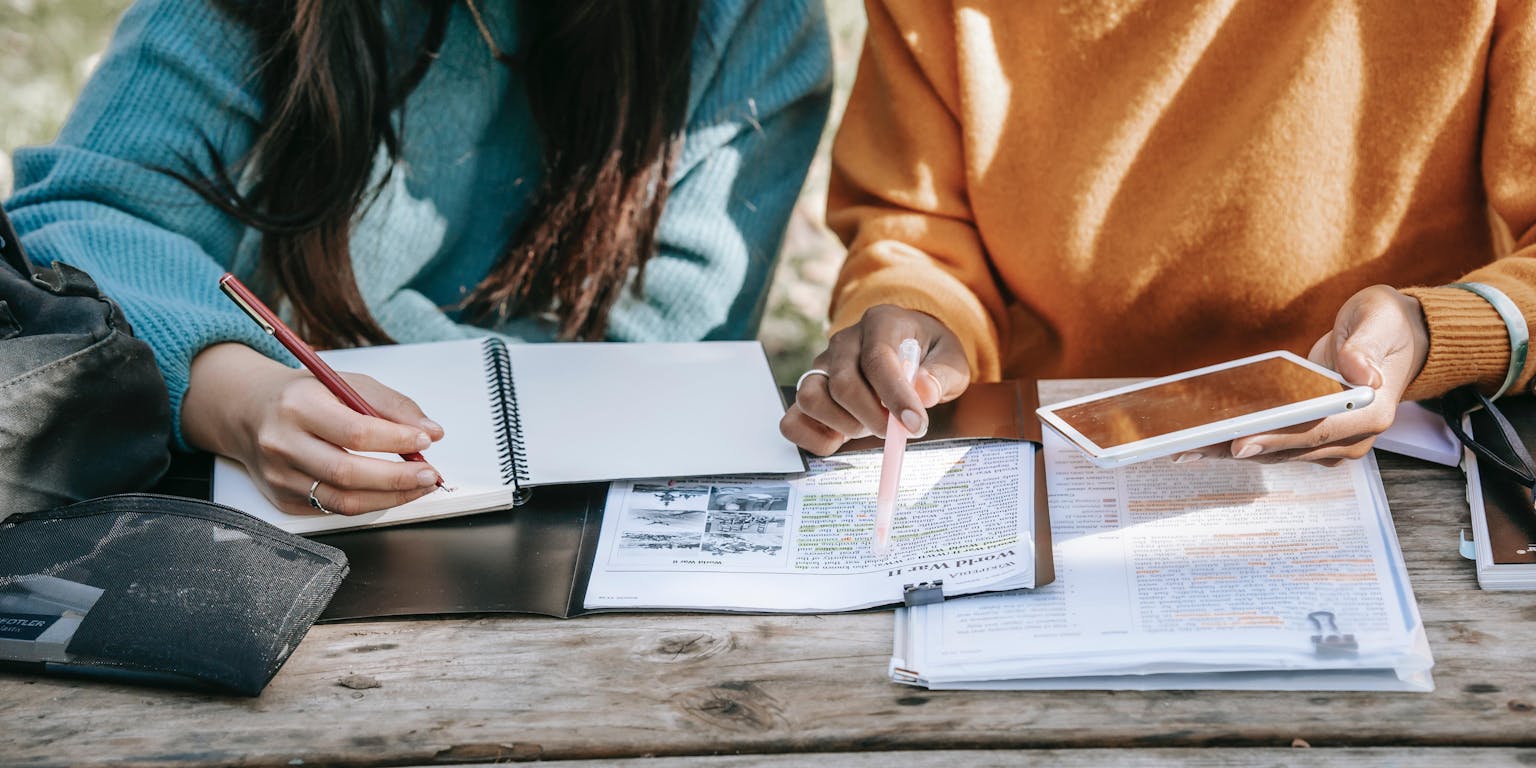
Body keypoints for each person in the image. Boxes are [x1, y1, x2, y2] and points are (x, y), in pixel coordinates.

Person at [6, 0, 830, 516]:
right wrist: (241, 395)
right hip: (248, 526)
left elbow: (664, 355)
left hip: (578, 543)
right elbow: (79, 219)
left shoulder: (751, 23)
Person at [782, 1, 1536, 466]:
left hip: (1405, 459)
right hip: (1048, 456)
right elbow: (917, 225)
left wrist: (1437, 333)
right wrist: (917, 321)